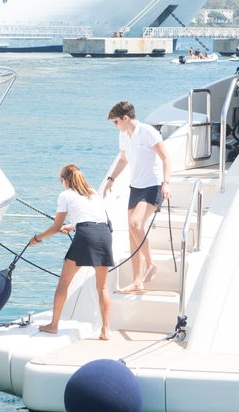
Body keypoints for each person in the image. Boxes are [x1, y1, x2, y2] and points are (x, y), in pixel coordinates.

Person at [30, 164, 114, 340]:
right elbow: (93, 218)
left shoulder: (65, 195)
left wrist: (38, 238)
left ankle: (53, 325)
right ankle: (105, 330)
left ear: (64, 180)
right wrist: (73, 226)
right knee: (103, 287)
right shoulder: (92, 192)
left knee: (64, 283)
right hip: (104, 234)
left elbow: (55, 227)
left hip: (86, 235)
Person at [103, 101, 171, 294]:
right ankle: (137, 281)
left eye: (116, 122)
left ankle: (151, 264)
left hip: (153, 185)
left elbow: (166, 157)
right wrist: (111, 179)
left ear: (125, 118)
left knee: (135, 224)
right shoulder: (124, 135)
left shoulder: (148, 132)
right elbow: (123, 159)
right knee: (131, 235)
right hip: (136, 187)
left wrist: (166, 183)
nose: (115, 126)